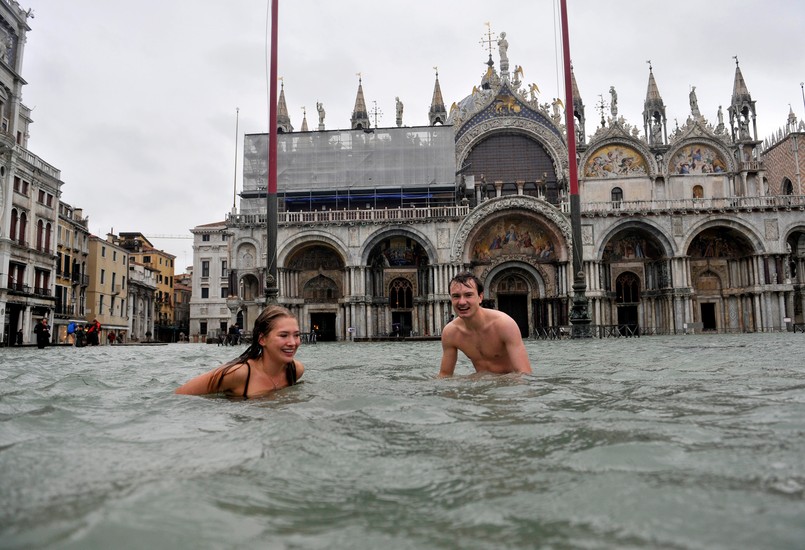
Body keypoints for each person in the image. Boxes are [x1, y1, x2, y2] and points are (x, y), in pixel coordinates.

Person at [176, 305, 305, 398]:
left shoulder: (295, 370)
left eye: (296, 335)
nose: (293, 343)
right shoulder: (239, 373)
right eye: (283, 335)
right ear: (262, 339)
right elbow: (181, 394)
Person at [439, 272, 532, 377]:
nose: (462, 302)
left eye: (468, 295)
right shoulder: (451, 332)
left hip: (508, 385)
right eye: (456, 296)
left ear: (480, 297)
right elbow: (444, 376)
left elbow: (524, 374)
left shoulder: (504, 325)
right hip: (479, 385)